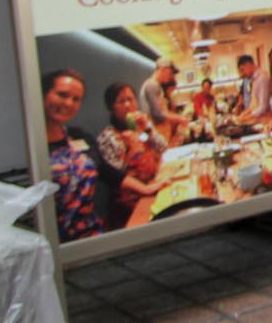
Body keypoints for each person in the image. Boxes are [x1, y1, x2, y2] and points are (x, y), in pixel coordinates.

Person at [43, 69, 105, 241]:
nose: (69, 103)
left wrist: (146, 188)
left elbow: (107, 172)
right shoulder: (32, 147)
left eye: (76, 99)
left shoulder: (79, 136)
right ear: (43, 94)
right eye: (62, 95)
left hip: (92, 234)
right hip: (56, 244)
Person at [95, 81, 163, 229]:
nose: (127, 105)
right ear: (112, 107)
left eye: (130, 99)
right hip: (131, 204)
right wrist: (130, 149)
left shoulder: (141, 127)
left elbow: (162, 147)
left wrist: (148, 129)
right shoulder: (108, 137)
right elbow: (116, 177)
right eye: (121, 101)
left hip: (153, 186)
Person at [139, 59, 189, 144]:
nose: (171, 77)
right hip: (155, 136)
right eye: (170, 73)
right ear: (162, 69)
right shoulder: (152, 85)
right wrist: (179, 118)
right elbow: (157, 115)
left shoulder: (157, 86)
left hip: (161, 136)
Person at [238, 53, 272, 123]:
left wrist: (246, 118)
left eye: (243, 70)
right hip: (259, 121)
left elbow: (263, 107)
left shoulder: (262, 78)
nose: (243, 74)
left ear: (248, 64)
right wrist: (245, 113)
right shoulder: (254, 79)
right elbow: (254, 104)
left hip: (265, 121)